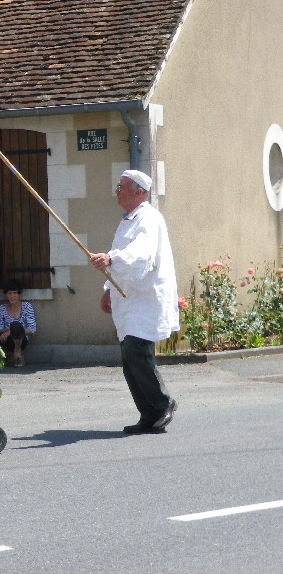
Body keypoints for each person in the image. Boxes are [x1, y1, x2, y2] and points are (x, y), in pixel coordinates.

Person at [89, 169, 178, 434]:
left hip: (146, 298)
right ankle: (148, 413)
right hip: (129, 299)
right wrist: (108, 289)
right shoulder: (128, 220)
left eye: (122, 186)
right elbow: (120, 258)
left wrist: (111, 259)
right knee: (129, 358)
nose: (117, 190)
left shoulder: (148, 219)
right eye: (118, 185)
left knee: (135, 351)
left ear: (138, 192)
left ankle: (163, 403)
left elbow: (140, 253)